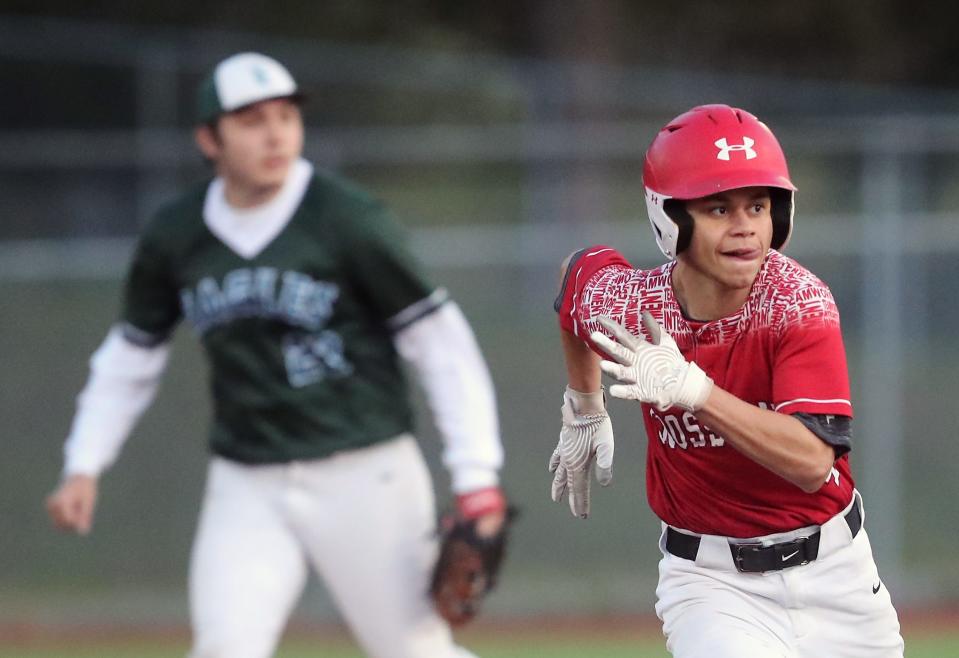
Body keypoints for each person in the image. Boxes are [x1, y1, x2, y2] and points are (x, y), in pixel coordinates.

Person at [45, 52, 507, 658]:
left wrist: (476, 476)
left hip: (366, 474)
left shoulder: (347, 219)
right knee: (223, 649)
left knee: (414, 651)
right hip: (248, 481)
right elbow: (131, 355)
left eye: (287, 115)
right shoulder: (177, 234)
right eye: (251, 119)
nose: (275, 133)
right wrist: (85, 461)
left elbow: (441, 345)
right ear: (208, 139)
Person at [549, 104, 904, 657]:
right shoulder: (634, 303)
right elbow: (576, 280)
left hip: (839, 574)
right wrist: (584, 401)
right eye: (718, 207)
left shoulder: (795, 302)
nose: (744, 227)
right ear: (670, 219)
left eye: (758, 206)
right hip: (712, 584)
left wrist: (696, 392)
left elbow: (813, 463)